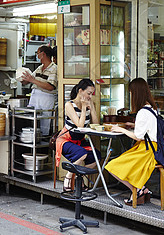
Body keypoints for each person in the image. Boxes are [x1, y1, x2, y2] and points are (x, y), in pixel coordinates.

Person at [105, 77, 157, 206]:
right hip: (152, 147)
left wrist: (120, 129)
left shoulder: (142, 113)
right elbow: (147, 129)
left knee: (112, 167)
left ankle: (138, 190)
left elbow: (138, 137)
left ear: (135, 94)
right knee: (122, 165)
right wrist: (133, 125)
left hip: (145, 150)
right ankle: (141, 189)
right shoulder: (152, 108)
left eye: (131, 92)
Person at [55, 79, 101, 191]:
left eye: (92, 94)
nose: (90, 96)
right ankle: (68, 178)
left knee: (96, 156)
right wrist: (84, 108)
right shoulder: (69, 105)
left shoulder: (90, 104)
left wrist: (92, 108)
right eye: (88, 93)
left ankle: (77, 177)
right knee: (82, 154)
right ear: (80, 91)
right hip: (65, 140)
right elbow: (80, 126)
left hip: (80, 140)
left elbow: (95, 124)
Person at [21, 45, 57, 135]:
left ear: (43, 54)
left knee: (44, 122)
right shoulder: (39, 68)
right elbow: (30, 80)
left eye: (38, 53)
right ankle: (31, 138)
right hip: (35, 96)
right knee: (32, 120)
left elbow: (50, 86)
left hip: (46, 97)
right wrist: (23, 79)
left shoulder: (54, 68)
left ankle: (43, 142)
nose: (37, 56)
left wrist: (32, 80)